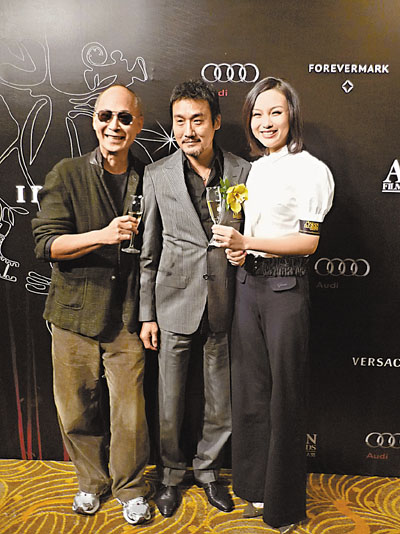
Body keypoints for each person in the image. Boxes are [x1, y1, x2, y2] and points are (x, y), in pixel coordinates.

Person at [212, 77, 334, 533]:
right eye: (257, 114)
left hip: (286, 288)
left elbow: (308, 242)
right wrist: (241, 251)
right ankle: (256, 491)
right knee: (251, 396)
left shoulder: (312, 170)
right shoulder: (255, 169)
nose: (266, 122)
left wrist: (248, 241)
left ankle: (284, 508)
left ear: (291, 115)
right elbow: (255, 234)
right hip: (249, 286)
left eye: (275, 112)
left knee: (284, 399)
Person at [32, 85, 152, 526]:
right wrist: (103, 235)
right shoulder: (66, 173)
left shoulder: (149, 176)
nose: (114, 126)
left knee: (130, 413)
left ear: (138, 124)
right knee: (76, 408)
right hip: (73, 315)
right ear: (93, 120)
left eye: (124, 117)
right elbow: (46, 244)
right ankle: (91, 481)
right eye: (105, 116)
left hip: (126, 315)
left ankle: (131, 488)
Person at [139, 79, 250, 518]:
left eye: (197, 120)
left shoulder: (243, 171)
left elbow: (252, 237)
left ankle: (208, 471)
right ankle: (170, 475)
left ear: (215, 122)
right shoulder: (156, 174)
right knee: (169, 400)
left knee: (221, 400)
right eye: (180, 121)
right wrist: (147, 314)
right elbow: (148, 253)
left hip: (226, 302)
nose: (188, 130)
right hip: (173, 304)